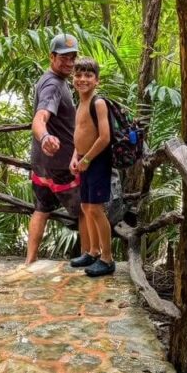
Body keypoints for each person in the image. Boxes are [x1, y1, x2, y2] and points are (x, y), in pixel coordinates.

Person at [26, 33, 93, 265]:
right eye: (64, 58)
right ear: (51, 57)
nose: (70, 63)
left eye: (73, 58)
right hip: (61, 166)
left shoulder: (48, 80)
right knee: (84, 209)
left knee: (41, 209)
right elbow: (39, 118)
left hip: (41, 164)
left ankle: (30, 261)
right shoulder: (53, 86)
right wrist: (45, 137)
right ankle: (87, 256)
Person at [69, 57, 115, 277]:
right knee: (86, 207)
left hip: (97, 162)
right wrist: (75, 157)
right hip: (85, 160)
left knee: (96, 209)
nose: (82, 79)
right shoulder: (80, 103)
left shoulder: (98, 103)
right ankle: (93, 251)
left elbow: (105, 137)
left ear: (97, 80)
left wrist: (86, 159)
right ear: (73, 78)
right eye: (78, 75)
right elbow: (80, 134)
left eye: (88, 75)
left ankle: (107, 259)